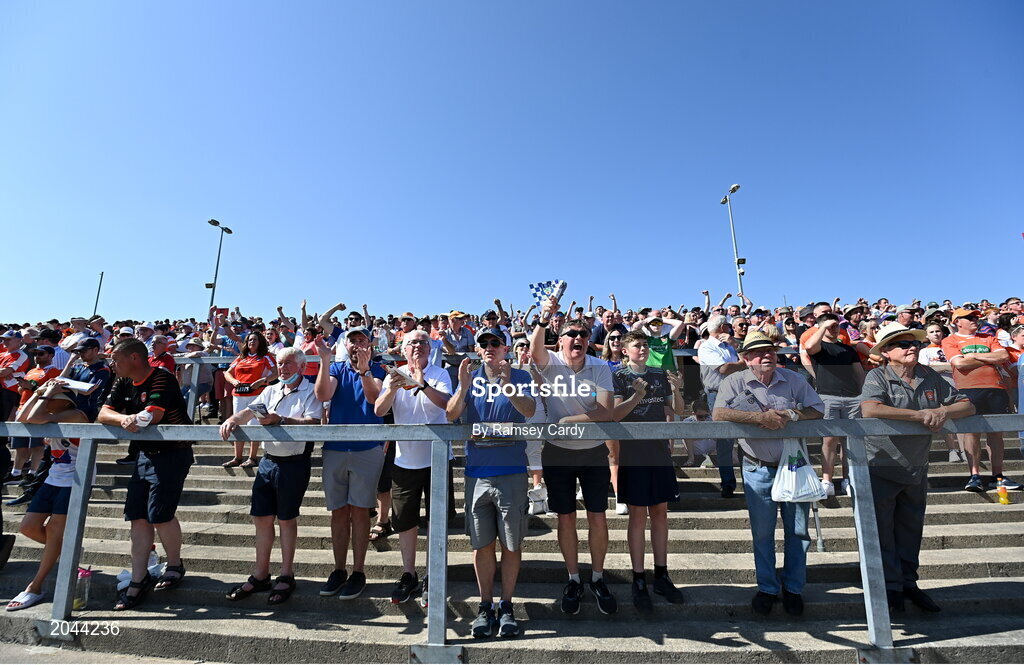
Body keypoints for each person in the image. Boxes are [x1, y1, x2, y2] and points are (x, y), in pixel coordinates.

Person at [859, 323, 975, 613]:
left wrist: (942, 411)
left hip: (916, 466)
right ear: (886, 352)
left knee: (911, 530)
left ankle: (909, 584)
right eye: (902, 344)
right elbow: (870, 408)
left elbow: (967, 405)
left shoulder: (928, 374)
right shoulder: (877, 375)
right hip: (881, 465)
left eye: (915, 343)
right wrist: (919, 415)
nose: (912, 347)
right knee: (882, 533)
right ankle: (890, 589)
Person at [713, 331, 825, 617]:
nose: (767, 356)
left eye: (771, 351)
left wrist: (795, 415)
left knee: (798, 531)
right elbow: (719, 414)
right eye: (759, 352)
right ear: (746, 358)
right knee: (762, 533)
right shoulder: (733, 381)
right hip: (756, 466)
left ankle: (793, 589)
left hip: (793, 467)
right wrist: (758, 419)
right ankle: (767, 587)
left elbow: (818, 409)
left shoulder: (794, 380)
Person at [529, 294, 616, 616]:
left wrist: (567, 421)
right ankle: (574, 578)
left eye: (582, 334)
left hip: (592, 451)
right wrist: (542, 317)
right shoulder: (550, 362)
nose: (578, 338)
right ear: (560, 340)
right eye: (571, 334)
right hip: (557, 452)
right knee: (565, 518)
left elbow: (606, 412)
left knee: (597, 516)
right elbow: (536, 351)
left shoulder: (600, 366)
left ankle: (597, 577)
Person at [446, 327, 535, 638]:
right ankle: (485, 606)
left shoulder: (521, 376)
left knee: (511, 543)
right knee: (481, 544)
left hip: (511, 470)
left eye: (495, 342)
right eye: (483, 343)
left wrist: (509, 386)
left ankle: (506, 605)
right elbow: (451, 414)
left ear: (505, 347)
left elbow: (529, 410)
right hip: (477, 473)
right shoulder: (471, 377)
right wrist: (462, 386)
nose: (488, 347)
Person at [220, 346, 324, 605]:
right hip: (269, 461)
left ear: (301, 366)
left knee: (287, 519)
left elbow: (314, 423)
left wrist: (282, 420)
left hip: (294, 462)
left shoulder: (311, 390)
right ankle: (260, 573)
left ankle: (286, 574)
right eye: (280, 363)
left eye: (288, 363)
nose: (283, 367)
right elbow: (250, 410)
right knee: (261, 518)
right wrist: (233, 419)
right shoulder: (271, 389)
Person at [97, 338, 195, 610]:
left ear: (134, 358)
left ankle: (174, 564)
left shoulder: (161, 377)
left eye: (116, 359)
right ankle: (138, 578)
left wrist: (134, 418)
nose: (112, 365)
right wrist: (123, 419)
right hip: (144, 454)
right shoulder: (122, 380)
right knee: (137, 516)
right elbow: (103, 413)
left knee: (160, 514)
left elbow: (153, 415)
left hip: (172, 453)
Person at [374, 330, 453, 605]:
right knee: (405, 520)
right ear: (403, 350)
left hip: (437, 457)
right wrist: (394, 387)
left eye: (422, 342)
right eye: (412, 343)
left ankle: (433, 574)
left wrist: (422, 384)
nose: (417, 346)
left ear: (430, 348)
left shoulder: (440, 374)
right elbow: (379, 410)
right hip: (404, 458)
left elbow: (447, 405)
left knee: (436, 520)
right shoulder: (393, 374)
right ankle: (408, 573)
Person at [610, 331, 687, 611]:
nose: (641, 349)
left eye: (644, 345)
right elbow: (615, 415)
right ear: (625, 350)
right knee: (637, 516)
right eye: (636, 345)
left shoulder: (659, 373)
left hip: (658, 450)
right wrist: (636, 395)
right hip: (633, 451)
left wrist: (677, 389)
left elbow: (676, 410)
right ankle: (639, 579)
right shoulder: (619, 375)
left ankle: (662, 574)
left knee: (660, 513)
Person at [314, 327, 387, 600]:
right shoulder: (336, 367)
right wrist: (323, 360)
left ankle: (358, 571)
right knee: (338, 511)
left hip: (367, 447)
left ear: (370, 343)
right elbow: (323, 395)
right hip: (335, 447)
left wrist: (365, 370)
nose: (357, 345)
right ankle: (339, 569)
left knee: (359, 510)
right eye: (352, 340)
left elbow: (374, 398)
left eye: (362, 340)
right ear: (345, 344)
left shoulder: (378, 369)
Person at [5, 380, 90, 611]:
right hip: (54, 477)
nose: (48, 400)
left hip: (75, 479)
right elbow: (23, 417)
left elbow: (31, 418)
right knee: (28, 527)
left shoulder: (75, 413)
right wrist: (39, 392)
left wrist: (46, 393)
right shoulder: (49, 412)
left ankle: (35, 586)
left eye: (52, 397)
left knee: (54, 531)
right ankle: (66, 550)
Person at [941, 309, 1021, 491]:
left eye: (975, 317)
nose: (974, 320)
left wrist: (974, 356)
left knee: (996, 434)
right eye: (969, 318)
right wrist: (988, 360)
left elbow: (1002, 356)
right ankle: (975, 475)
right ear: (957, 322)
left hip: (996, 388)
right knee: (972, 433)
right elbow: (959, 363)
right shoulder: (950, 339)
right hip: (968, 389)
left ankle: (998, 476)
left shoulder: (988, 337)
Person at [802, 313, 865, 497]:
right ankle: (827, 479)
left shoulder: (848, 349)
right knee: (829, 440)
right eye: (830, 326)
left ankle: (848, 478)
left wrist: (862, 396)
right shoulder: (819, 348)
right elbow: (809, 346)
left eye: (836, 325)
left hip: (852, 397)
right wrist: (822, 327)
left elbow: (859, 374)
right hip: (827, 396)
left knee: (850, 441)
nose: (834, 328)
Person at [697, 315, 747, 498]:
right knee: (725, 441)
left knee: (745, 438)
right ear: (722, 327)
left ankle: (748, 481)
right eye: (728, 325)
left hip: (739, 393)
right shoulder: (706, 346)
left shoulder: (730, 346)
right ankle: (728, 484)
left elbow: (742, 361)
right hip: (718, 394)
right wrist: (742, 363)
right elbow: (724, 369)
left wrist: (736, 346)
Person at [222, 331, 278, 469]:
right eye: (250, 340)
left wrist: (263, 380)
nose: (252, 342)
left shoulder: (266, 356)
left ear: (260, 342)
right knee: (237, 424)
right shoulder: (242, 357)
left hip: (258, 395)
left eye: (255, 340)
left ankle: (252, 457)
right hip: (239, 395)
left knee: (255, 424)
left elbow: (276, 372)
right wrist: (234, 381)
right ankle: (237, 457)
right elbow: (227, 372)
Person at [917, 323, 965, 463]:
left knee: (960, 417)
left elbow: (960, 364)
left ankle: (964, 449)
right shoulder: (924, 351)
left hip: (957, 383)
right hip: (937, 385)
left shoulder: (952, 348)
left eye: (938, 331)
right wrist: (948, 367)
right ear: (927, 335)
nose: (936, 334)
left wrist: (941, 367)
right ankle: (952, 449)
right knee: (944, 418)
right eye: (932, 332)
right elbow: (926, 369)